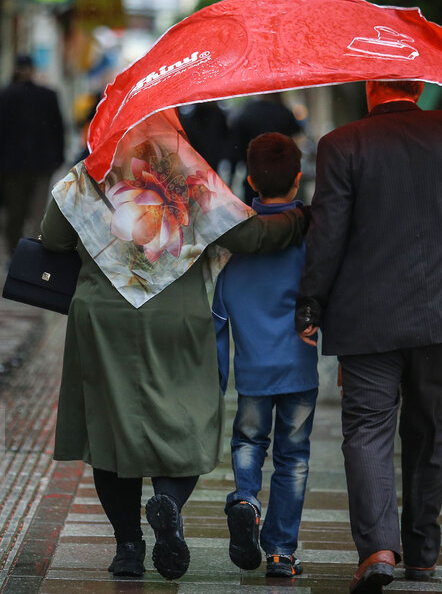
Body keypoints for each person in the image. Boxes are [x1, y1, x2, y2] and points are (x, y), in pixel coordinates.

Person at [40, 111, 308, 581]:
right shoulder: (190, 173)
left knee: (109, 430)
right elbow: (251, 236)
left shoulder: (90, 170)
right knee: (189, 416)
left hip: (103, 322)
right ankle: (168, 503)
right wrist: (299, 219)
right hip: (176, 317)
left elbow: (55, 236)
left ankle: (127, 547)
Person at [295, 74, 442, 593]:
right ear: (419, 89)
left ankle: (378, 549)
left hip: (366, 316)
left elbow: (328, 232)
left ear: (370, 90)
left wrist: (311, 302)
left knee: (366, 429)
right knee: (429, 426)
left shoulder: (341, 145)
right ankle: (422, 555)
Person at [213, 133, 319, 578]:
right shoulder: (308, 245)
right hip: (298, 370)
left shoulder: (237, 253)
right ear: (298, 180)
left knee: (249, 442)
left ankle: (244, 499)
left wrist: (216, 381)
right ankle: (280, 552)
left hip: (252, 374)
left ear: (251, 182)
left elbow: (218, 317)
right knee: (293, 458)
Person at [0, 54, 65, 254]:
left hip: (14, 165)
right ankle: (32, 255)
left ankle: (15, 254)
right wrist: (57, 158)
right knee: (37, 213)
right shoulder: (47, 95)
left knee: (15, 212)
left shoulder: (6, 95)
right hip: (41, 163)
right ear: (32, 70)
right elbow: (58, 129)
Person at [228, 93, 301, 204]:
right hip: (284, 177)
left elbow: (236, 151)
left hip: (257, 177)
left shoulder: (246, 114)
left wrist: (230, 180)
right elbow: (296, 135)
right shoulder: (284, 113)